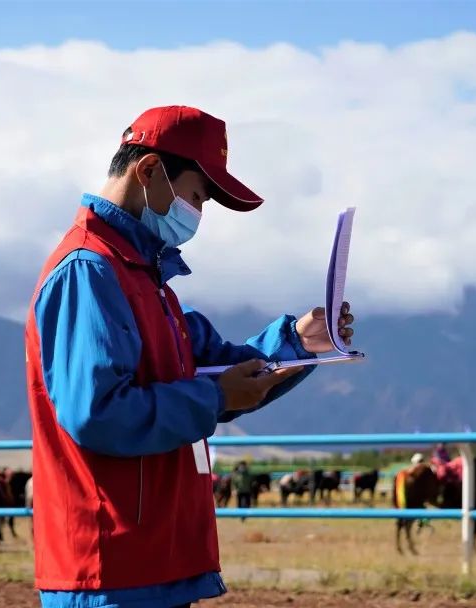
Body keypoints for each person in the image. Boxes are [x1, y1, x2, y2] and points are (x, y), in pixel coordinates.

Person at [26, 105, 356, 608]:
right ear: (150, 171)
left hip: (152, 559)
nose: (199, 215)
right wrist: (213, 396)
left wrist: (301, 343)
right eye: (198, 196)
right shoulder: (89, 272)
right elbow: (97, 413)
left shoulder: (148, 281)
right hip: (111, 567)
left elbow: (223, 369)